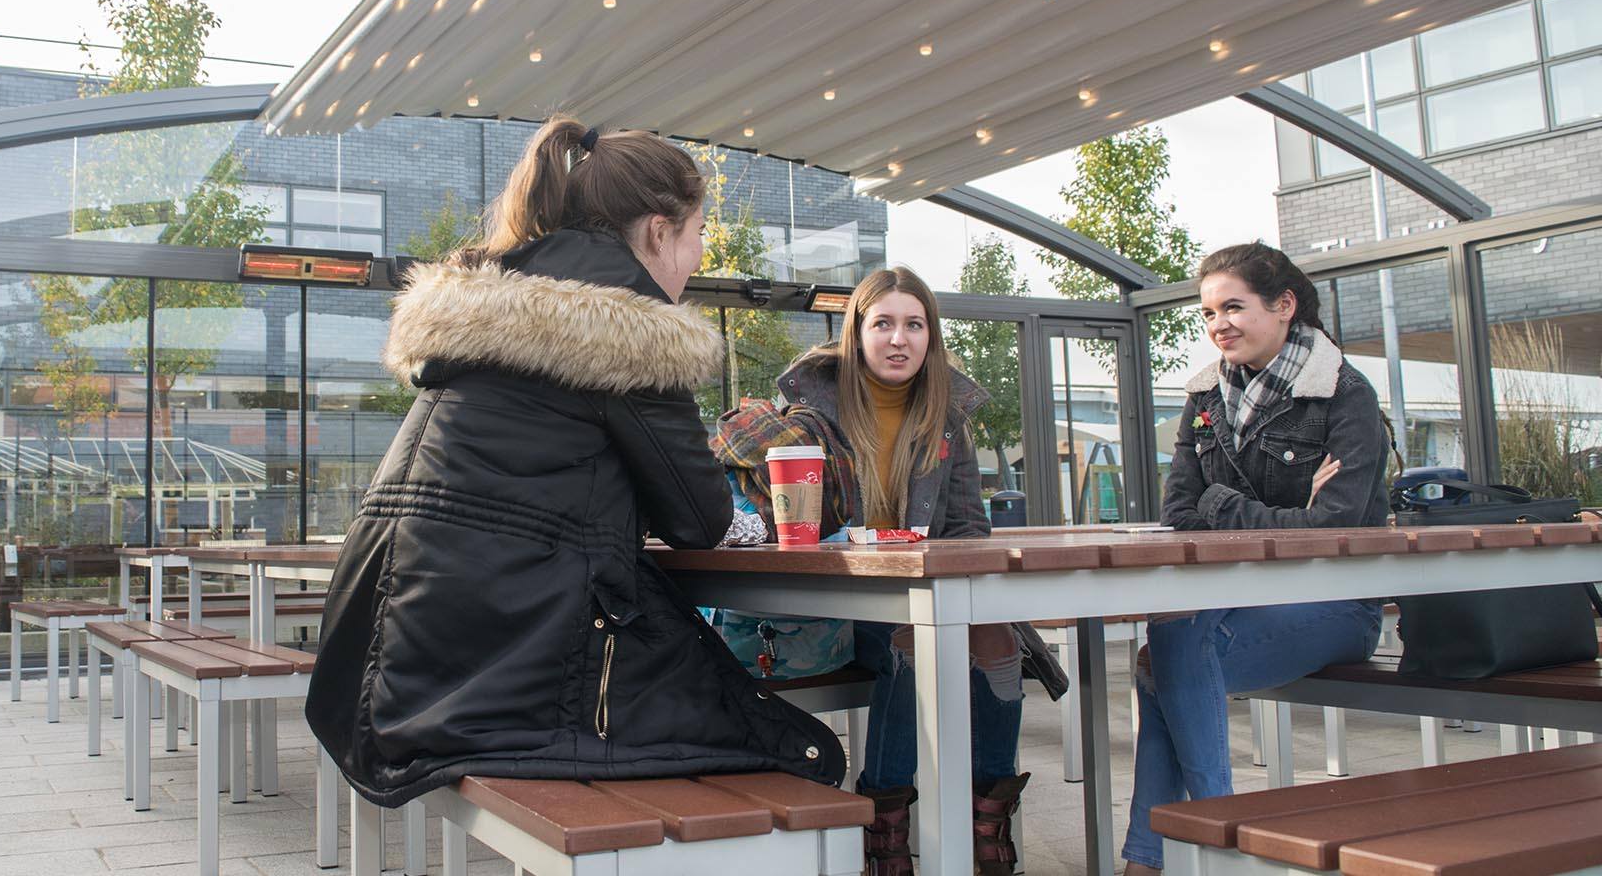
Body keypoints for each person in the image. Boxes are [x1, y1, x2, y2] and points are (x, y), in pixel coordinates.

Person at [305, 117, 843, 808]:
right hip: (496, 670)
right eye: (697, 233)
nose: (698, 255)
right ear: (657, 231)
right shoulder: (631, 335)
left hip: (388, 663)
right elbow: (699, 520)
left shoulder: (491, 306)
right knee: (799, 755)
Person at [775, 266, 1059, 876]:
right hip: (835, 600)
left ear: (930, 336)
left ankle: (986, 826)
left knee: (995, 636)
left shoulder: (946, 418)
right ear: (857, 333)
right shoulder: (808, 414)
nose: (898, 339)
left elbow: (968, 532)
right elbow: (792, 530)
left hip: (919, 595)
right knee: (919, 636)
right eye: (883, 324)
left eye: (914, 324)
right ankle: (884, 829)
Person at [1121, 243, 1389, 874]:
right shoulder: (1206, 398)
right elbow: (1177, 515)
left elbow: (1334, 530)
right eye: (1209, 312)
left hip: (1338, 604)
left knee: (1171, 651)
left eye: (1234, 306)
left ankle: (1186, 850)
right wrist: (1277, 516)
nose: (1219, 324)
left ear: (1285, 305)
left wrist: (1220, 502)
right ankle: (1186, 851)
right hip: (1236, 603)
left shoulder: (1344, 394)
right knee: (1172, 642)